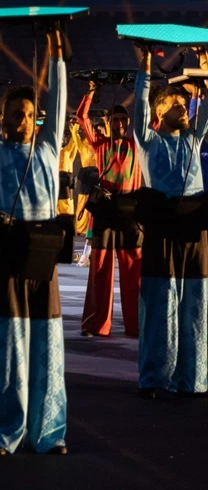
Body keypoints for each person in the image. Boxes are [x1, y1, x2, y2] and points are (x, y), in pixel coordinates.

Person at [0, 23, 69, 455]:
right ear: (4, 120)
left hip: (43, 256)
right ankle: (3, 432)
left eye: (31, 115)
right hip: (9, 256)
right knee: (8, 348)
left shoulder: (48, 148)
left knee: (47, 347)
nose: (25, 121)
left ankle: (48, 432)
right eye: (17, 115)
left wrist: (58, 55)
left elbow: (61, 103)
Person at [132, 45, 208, 397]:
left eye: (184, 104)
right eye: (175, 105)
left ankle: (194, 378)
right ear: (158, 114)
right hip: (162, 229)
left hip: (195, 229)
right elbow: (139, 106)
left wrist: (205, 63)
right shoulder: (148, 142)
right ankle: (156, 378)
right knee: (161, 304)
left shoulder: (194, 138)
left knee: (196, 303)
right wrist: (146, 67)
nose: (184, 108)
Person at [77, 82, 142, 338]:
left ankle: (135, 324)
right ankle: (96, 324)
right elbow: (82, 117)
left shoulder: (136, 145)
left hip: (130, 210)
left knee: (133, 270)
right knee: (100, 268)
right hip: (104, 209)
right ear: (107, 122)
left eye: (123, 120)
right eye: (115, 120)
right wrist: (92, 91)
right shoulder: (100, 143)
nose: (120, 124)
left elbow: (153, 124)